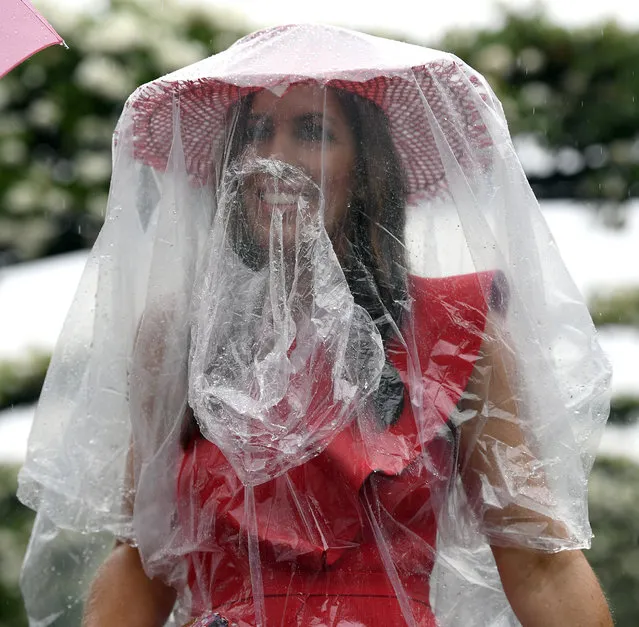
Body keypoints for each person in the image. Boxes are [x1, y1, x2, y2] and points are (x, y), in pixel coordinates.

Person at [18, 24, 613, 626]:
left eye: (313, 132)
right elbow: (140, 558)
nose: (274, 159)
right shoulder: (177, 337)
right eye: (255, 132)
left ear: (366, 168)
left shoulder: (455, 329)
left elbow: (541, 562)